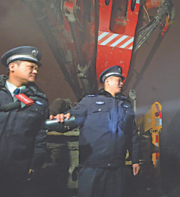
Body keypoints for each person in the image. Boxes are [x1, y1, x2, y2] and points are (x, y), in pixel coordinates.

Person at [0, 46, 49, 197]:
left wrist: (34, 165)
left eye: (37, 68)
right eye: (31, 67)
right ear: (12, 66)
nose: (35, 71)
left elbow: (39, 136)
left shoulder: (39, 100)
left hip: (14, 174)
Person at [51, 65, 140, 197]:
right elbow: (71, 116)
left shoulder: (126, 105)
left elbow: (132, 134)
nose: (122, 83)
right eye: (118, 80)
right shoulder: (90, 101)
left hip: (117, 168)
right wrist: (62, 117)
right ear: (107, 81)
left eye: (122, 81)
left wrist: (135, 160)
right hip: (92, 167)